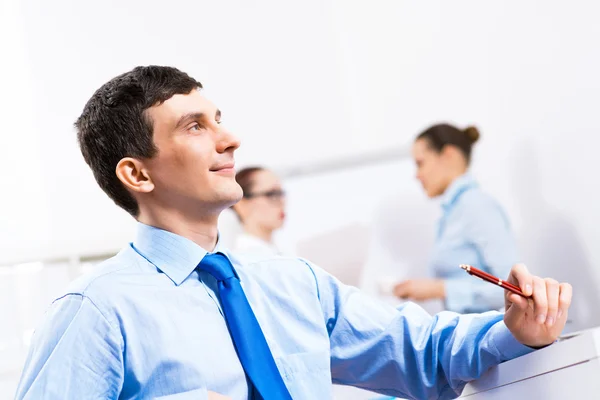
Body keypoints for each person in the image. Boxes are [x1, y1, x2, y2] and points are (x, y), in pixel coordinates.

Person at [15, 66, 572, 400]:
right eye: (194, 126)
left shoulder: (293, 283)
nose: (229, 139)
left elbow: (422, 355)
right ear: (137, 173)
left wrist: (515, 330)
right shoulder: (95, 311)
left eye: (218, 119)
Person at [394, 123, 518, 313]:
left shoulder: (476, 206)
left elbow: (512, 288)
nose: (416, 175)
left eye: (420, 163)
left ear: (448, 154)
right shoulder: (452, 213)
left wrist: (440, 289)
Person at [230, 166, 287, 258]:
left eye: (281, 193)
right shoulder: (246, 258)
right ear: (241, 204)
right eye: (272, 194)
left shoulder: (275, 253)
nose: (282, 202)